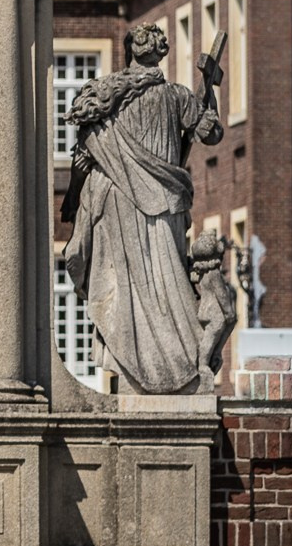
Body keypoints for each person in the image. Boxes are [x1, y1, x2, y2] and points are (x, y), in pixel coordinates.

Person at [61, 22, 225, 394]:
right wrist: (210, 97)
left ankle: (138, 367)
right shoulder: (178, 97)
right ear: (161, 52)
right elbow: (211, 134)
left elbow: (83, 153)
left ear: (130, 50)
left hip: (115, 197)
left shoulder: (106, 95)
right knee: (166, 282)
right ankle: (180, 364)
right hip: (162, 203)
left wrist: (76, 197)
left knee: (126, 285)